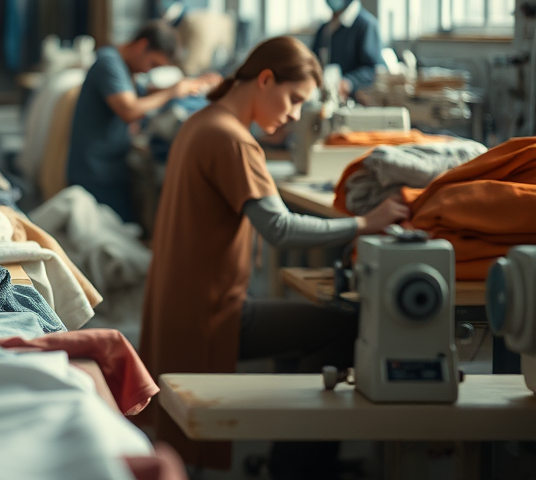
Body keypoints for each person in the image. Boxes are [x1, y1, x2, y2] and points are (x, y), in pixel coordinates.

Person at [139, 36, 409, 477]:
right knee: (345, 327)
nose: (295, 115)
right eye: (293, 99)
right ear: (265, 80)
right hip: (212, 313)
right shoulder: (232, 140)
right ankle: (296, 467)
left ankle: (291, 454)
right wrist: (365, 223)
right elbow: (280, 229)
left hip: (181, 306)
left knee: (310, 328)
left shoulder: (203, 122)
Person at [65, 21, 221, 222]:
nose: (149, 70)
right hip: (95, 172)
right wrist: (174, 91)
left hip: (109, 168)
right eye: (153, 63)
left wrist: (191, 84)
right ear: (142, 45)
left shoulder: (126, 68)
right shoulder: (109, 62)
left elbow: (145, 92)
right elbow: (129, 109)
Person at [312, 0, 382, 99]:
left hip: (355, 100)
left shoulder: (365, 25)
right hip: (325, 96)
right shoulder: (325, 29)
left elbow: (374, 68)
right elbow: (313, 60)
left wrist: (349, 82)